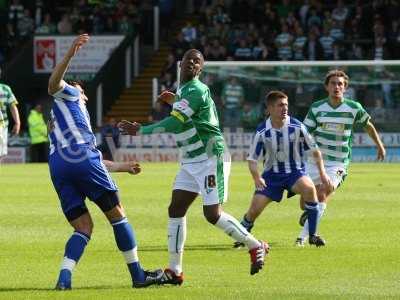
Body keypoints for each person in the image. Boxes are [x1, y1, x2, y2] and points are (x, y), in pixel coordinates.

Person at [118, 49, 269, 285]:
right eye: (189, 59)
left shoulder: (196, 89)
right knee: (176, 208)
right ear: (181, 64)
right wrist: (175, 101)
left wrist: (142, 130)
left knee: (212, 214)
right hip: (190, 159)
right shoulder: (185, 91)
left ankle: (255, 245)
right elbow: (189, 116)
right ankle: (175, 271)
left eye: (197, 61)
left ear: (201, 68)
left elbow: (177, 123)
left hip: (210, 157)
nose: (192, 63)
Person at [47, 34, 162, 290]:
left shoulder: (63, 119)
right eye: (82, 90)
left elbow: (88, 159)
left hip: (58, 166)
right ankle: (138, 276)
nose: (84, 94)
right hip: (80, 157)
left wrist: (123, 167)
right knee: (118, 216)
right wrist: (70, 54)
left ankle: (64, 279)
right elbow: (53, 84)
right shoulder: (71, 95)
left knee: (83, 227)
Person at [295, 70, 386, 246]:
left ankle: (303, 237)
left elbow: (368, 126)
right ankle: (310, 215)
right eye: (333, 83)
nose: (337, 87)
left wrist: (379, 145)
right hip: (315, 161)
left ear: (345, 87)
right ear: (326, 87)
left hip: (338, 162)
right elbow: (305, 133)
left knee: (323, 192)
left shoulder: (354, 108)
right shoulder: (317, 107)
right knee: (305, 202)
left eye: (340, 84)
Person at [234, 91, 329, 249]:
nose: (284, 108)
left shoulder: (297, 126)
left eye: (286, 105)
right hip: (271, 177)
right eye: (280, 105)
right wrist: (257, 178)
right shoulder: (262, 131)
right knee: (254, 211)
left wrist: (322, 173)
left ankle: (313, 235)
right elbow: (252, 160)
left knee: (310, 189)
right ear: (270, 109)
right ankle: (242, 236)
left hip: (295, 172)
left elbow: (315, 151)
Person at [0, 66, 20, 159]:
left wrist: (17, 122)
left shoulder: (5, 89)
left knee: (1, 153)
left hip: (2, 125)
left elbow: (13, 106)